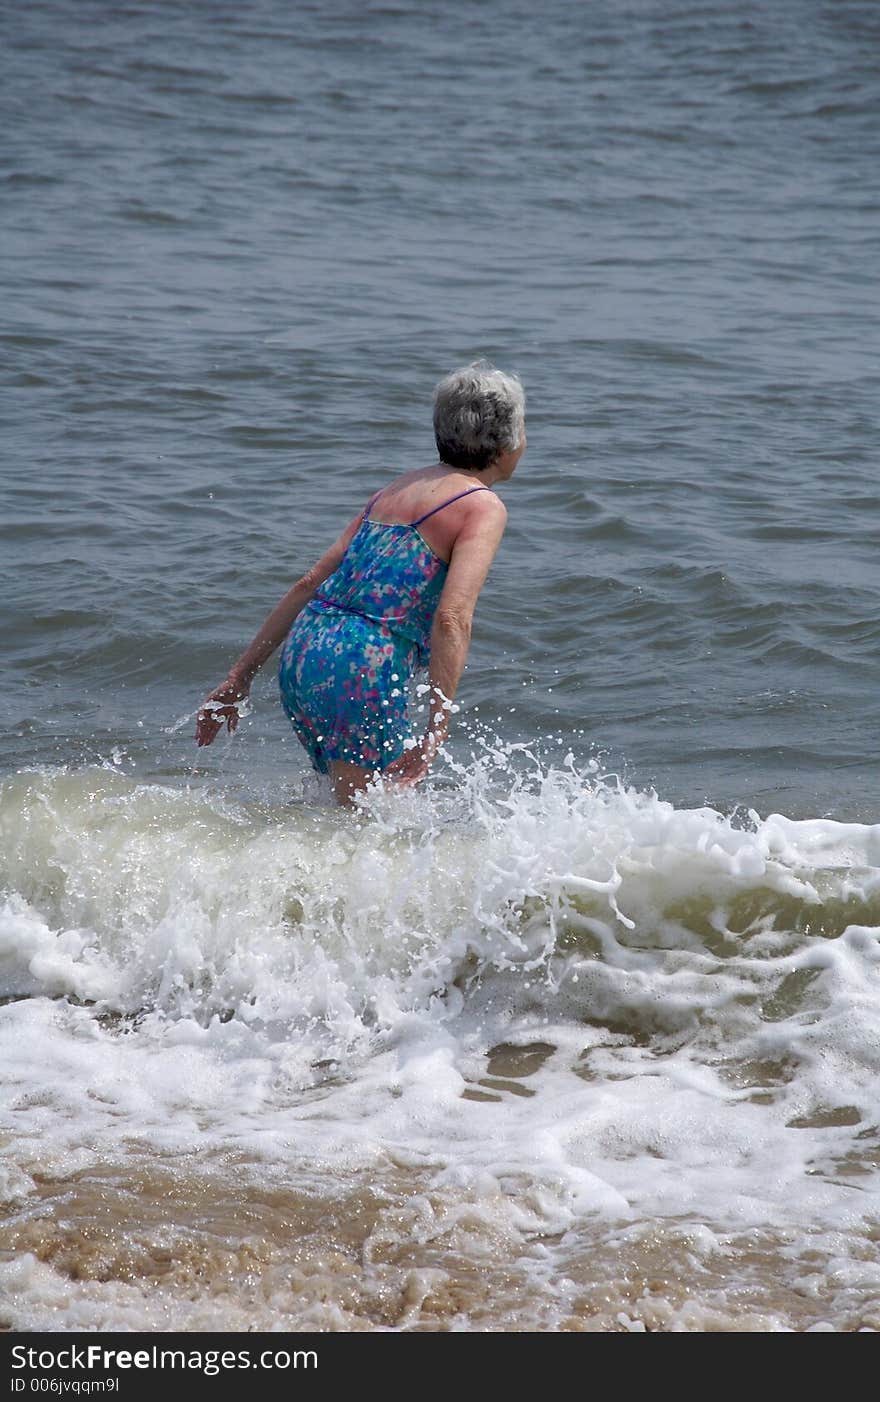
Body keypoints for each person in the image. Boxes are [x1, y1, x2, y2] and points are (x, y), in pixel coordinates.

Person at [196, 361, 526, 804]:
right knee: (369, 823)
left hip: (304, 652)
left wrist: (239, 677)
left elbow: (309, 581)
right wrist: (437, 727)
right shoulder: (482, 507)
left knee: (347, 813)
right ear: (504, 440)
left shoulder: (394, 490)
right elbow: (452, 617)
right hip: (361, 666)